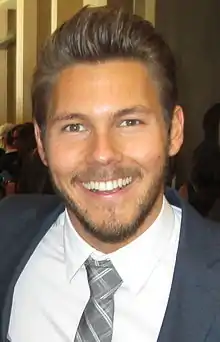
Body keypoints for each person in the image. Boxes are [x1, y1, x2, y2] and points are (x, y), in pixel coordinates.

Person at [0, 6, 220, 342]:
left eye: (130, 122)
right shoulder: (7, 234)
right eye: (74, 126)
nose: (102, 154)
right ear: (42, 144)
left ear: (174, 131)